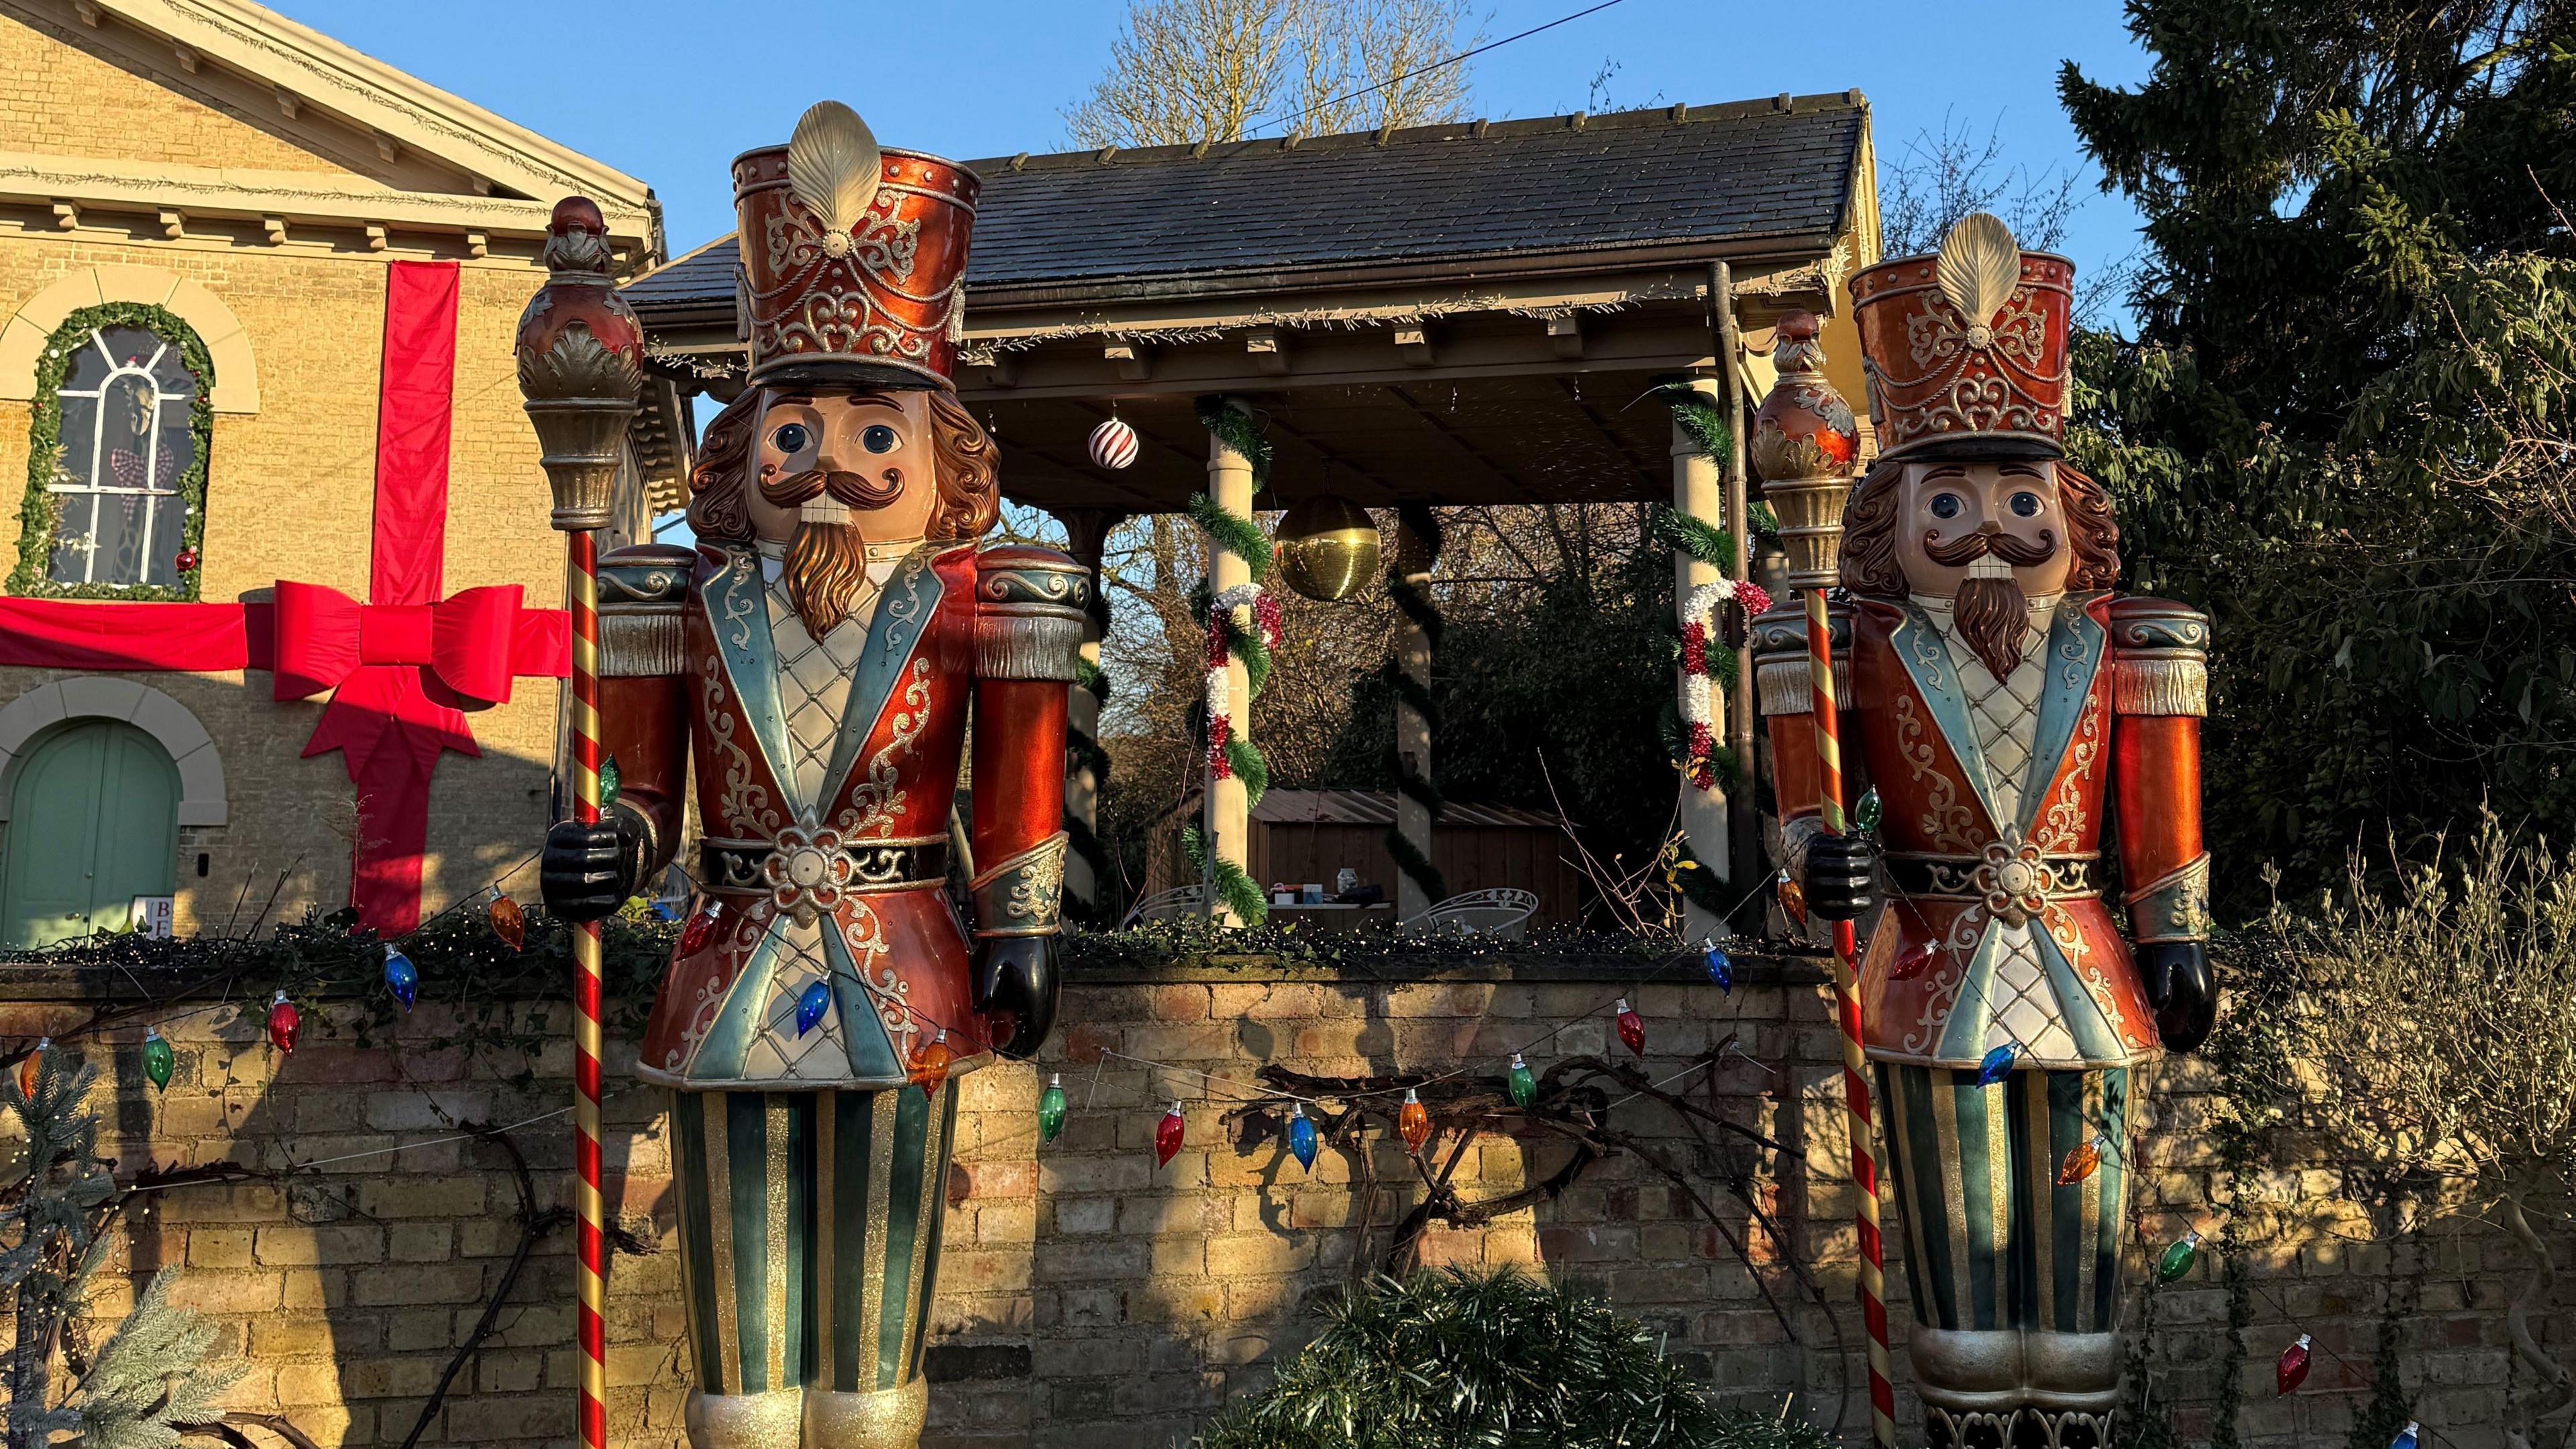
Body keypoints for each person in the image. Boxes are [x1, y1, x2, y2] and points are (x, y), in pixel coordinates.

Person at [538, 100, 1080, 1449]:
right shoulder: (678, 594)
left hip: (904, 962)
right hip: (729, 959)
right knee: (742, 1320)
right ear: (741, 450)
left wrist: (1025, 924)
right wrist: (613, 843)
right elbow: (649, 800)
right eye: (792, 432)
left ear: (941, 461)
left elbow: (1018, 786)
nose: (828, 463)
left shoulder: (988, 599)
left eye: (873, 434)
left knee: (879, 1300)